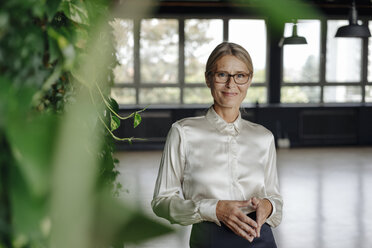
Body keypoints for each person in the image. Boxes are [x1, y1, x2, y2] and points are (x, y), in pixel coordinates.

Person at [151, 42, 283, 248]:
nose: (231, 84)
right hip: (210, 239)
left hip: (260, 238)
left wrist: (269, 206)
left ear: (249, 80)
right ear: (208, 78)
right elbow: (161, 202)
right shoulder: (183, 132)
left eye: (240, 75)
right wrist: (214, 209)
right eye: (222, 75)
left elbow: (275, 198)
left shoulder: (264, 137)